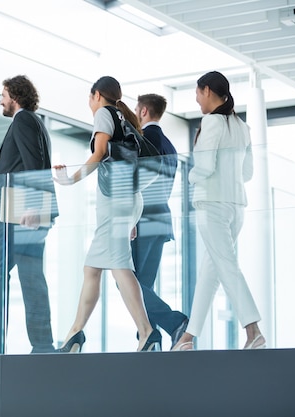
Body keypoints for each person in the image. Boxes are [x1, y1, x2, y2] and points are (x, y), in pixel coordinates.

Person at [54, 76, 161, 353]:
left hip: (114, 202)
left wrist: (70, 179)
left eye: (90, 98)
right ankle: (76, 333)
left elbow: (100, 152)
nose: (90, 104)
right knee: (94, 268)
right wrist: (132, 217)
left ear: (97, 95)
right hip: (128, 200)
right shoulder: (124, 118)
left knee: (119, 266)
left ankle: (146, 331)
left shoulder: (104, 113)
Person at [172, 71, 265, 351]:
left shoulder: (211, 122)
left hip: (211, 204)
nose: (197, 100)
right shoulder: (241, 126)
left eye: (198, 94)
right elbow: (247, 172)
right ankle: (188, 337)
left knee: (226, 267)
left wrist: (189, 177)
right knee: (211, 272)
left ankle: (253, 330)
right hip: (236, 206)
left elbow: (205, 168)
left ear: (208, 90)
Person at [0, 75, 59, 354]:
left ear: (15, 96)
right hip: (25, 210)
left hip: (19, 211)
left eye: (3, 94)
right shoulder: (36, 123)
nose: (0, 100)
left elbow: (34, 163)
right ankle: (43, 345)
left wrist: (33, 207)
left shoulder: (23, 120)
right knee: (31, 276)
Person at [131, 94, 189, 350]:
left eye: (135, 109)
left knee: (128, 284)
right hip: (161, 221)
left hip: (142, 221)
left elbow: (139, 183)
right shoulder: (170, 145)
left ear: (143, 111)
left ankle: (174, 322)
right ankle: (149, 339)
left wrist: (130, 218)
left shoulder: (145, 140)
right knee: (144, 285)